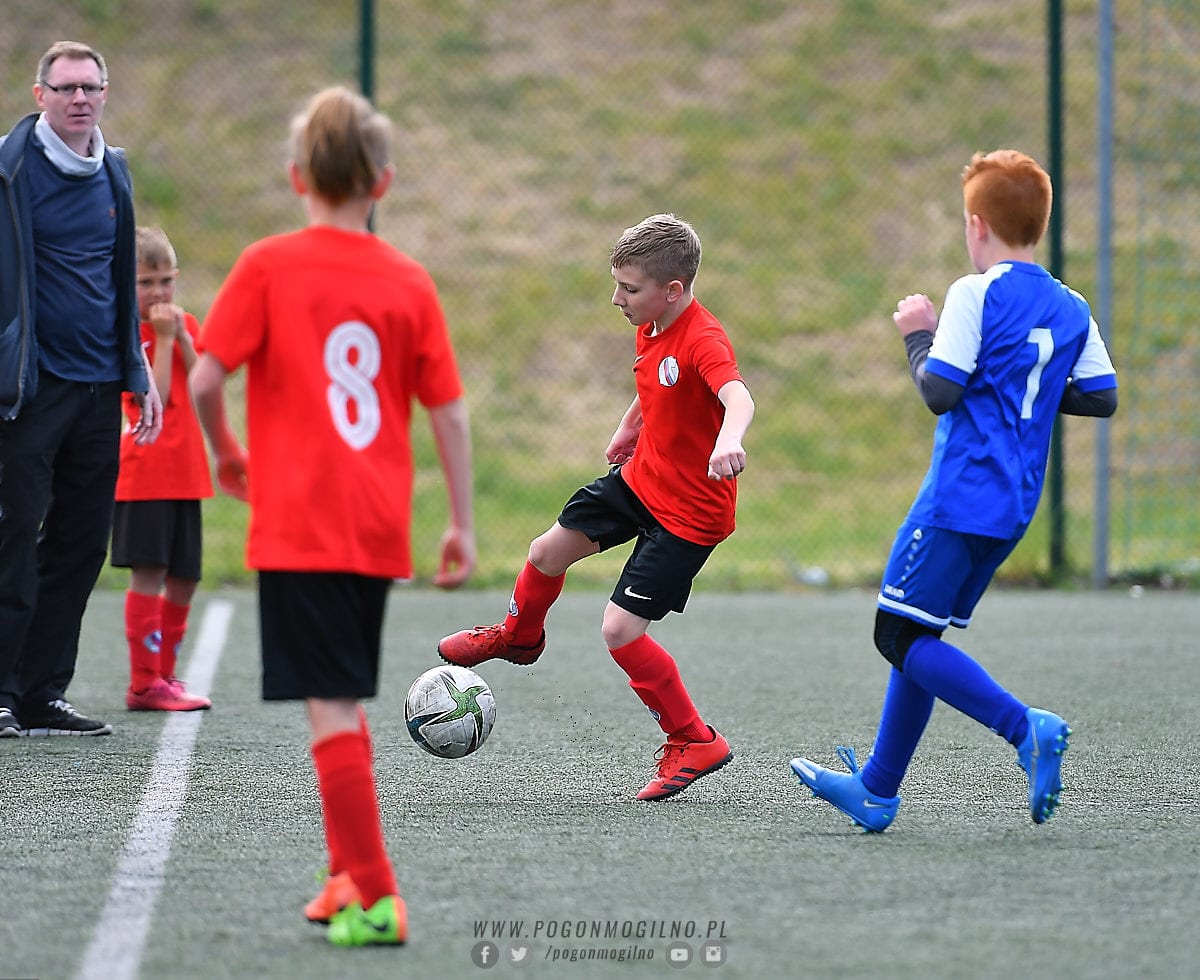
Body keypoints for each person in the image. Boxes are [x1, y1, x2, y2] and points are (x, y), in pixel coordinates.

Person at [190, 85, 475, 947]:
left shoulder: (267, 265)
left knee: (332, 709)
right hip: (375, 524)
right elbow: (448, 411)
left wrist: (225, 451)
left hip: (300, 522)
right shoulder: (408, 280)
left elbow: (204, 378)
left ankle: (377, 897)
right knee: (340, 695)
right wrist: (460, 521)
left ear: (295, 176)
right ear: (382, 182)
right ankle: (344, 876)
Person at [790, 149, 1118, 832]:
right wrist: (1022, 387)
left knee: (895, 634)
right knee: (919, 629)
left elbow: (939, 391)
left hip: (960, 495)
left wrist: (919, 335)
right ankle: (877, 790)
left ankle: (1024, 728)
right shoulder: (1071, 304)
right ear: (1039, 224)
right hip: (1014, 504)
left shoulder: (975, 293)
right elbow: (1101, 395)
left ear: (976, 225)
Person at [438, 212, 755, 803]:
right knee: (546, 551)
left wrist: (728, 440)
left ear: (673, 290)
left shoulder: (704, 339)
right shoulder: (652, 322)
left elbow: (737, 397)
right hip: (642, 481)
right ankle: (519, 637)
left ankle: (694, 739)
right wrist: (630, 425)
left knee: (619, 630)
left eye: (628, 289)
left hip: (689, 514)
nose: (617, 299)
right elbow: (656, 384)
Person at [0, 40, 162, 740]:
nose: (79, 99)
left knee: (80, 543)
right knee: (14, 539)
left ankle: (42, 693)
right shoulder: (9, 169)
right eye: (65, 87)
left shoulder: (113, 171)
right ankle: (1, 692)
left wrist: (137, 369)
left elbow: (120, 279)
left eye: (90, 87)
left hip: (99, 389)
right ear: (40, 95)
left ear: (104, 94)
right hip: (31, 390)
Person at [112, 226, 237, 712]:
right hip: (145, 476)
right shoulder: (128, 335)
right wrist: (164, 341)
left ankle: (164, 674)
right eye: (145, 283)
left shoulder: (183, 324)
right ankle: (143, 683)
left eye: (166, 281)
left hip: (186, 473)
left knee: (184, 576)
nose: (159, 292)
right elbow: (155, 398)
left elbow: (204, 380)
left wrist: (182, 337)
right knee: (151, 572)